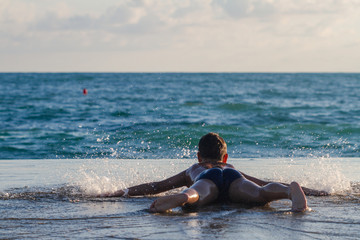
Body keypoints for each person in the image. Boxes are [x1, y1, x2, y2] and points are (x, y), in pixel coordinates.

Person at [104, 133, 328, 213]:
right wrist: (314, 191)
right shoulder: (230, 168)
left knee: (196, 194)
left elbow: (157, 186)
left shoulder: (195, 169)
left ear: (199, 157)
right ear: (226, 158)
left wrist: (121, 192)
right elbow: (265, 181)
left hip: (206, 181)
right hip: (234, 181)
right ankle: (289, 192)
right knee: (261, 192)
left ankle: (184, 198)